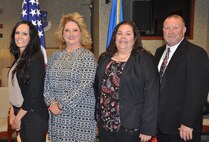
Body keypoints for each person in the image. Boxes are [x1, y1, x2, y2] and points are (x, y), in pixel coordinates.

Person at [95, 21, 159, 142]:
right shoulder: (104, 58)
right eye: (119, 33)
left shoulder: (144, 59)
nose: (123, 37)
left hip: (130, 125)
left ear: (135, 38)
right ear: (114, 37)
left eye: (128, 34)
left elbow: (152, 94)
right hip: (105, 124)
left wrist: (148, 128)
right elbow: (97, 88)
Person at [155, 14, 209, 142]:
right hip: (160, 125)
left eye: (175, 27)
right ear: (162, 30)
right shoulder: (159, 52)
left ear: (184, 30)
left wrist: (188, 122)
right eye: (166, 28)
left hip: (182, 127)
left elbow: (198, 93)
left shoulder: (196, 53)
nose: (170, 32)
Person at [44, 12, 97, 142]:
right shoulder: (55, 56)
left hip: (79, 117)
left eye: (75, 30)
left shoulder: (87, 56)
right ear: (62, 33)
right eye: (67, 30)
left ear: (81, 33)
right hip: (57, 117)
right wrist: (51, 103)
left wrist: (60, 106)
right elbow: (46, 83)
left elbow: (84, 86)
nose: (71, 34)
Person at [8, 20, 49, 142]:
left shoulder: (35, 58)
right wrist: (12, 113)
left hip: (33, 115)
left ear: (31, 38)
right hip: (20, 113)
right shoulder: (19, 59)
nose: (19, 36)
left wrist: (18, 117)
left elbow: (33, 93)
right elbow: (13, 88)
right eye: (17, 33)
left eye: (24, 34)